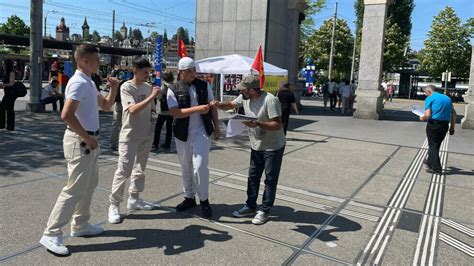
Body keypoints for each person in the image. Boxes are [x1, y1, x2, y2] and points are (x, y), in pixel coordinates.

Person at [39, 44, 119, 256]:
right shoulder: (78, 83)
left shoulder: (89, 82)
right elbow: (66, 115)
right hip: (81, 141)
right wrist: (87, 138)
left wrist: (114, 88)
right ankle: (51, 232)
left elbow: (106, 106)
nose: (99, 62)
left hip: (89, 140)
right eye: (96, 59)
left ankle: (81, 224)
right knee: (74, 188)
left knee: (89, 184)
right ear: (84, 60)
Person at [215, 75, 286, 225]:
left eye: (243, 89)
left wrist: (258, 124)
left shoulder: (270, 100)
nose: (240, 91)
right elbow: (230, 105)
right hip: (256, 145)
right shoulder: (244, 98)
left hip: (273, 146)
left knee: (270, 179)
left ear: (252, 90)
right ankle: (250, 206)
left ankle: (265, 210)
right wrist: (218, 105)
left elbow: (278, 124)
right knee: (253, 176)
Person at [108, 58, 160, 224]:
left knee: (140, 169)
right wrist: (151, 96)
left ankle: (134, 198)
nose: (148, 75)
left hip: (145, 134)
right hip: (129, 135)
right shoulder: (126, 87)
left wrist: (154, 101)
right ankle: (114, 205)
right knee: (124, 170)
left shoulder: (147, 87)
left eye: (149, 72)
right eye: (145, 72)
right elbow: (132, 110)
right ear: (135, 70)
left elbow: (151, 110)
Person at [167, 57, 220, 218]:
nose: (192, 73)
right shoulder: (172, 88)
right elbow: (175, 113)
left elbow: (212, 108)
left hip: (202, 131)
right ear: (180, 72)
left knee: (200, 166)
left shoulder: (204, 85)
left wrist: (217, 127)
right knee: (185, 167)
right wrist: (197, 109)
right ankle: (189, 197)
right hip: (182, 133)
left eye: (194, 70)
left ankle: (204, 200)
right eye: (189, 70)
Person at [419, 85, 456, 174]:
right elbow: (454, 114)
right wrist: (452, 128)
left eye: (426, 93)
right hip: (444, 125)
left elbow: (427, 115)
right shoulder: (447, 98)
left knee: (433, 146)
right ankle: (430, 161)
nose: (426, 95)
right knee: (436, 145)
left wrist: (422, 118)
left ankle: (436, 168)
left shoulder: (430, 98)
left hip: (433, 124)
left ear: (429, 92)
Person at [153, 71, 175, 149]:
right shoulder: (174, 85)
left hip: (163, 111)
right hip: (171, 109)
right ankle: (167, 144)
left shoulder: (164, 86)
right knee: (169, 128)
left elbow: (158, 97)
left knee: (158, 127)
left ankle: (155, 143)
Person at [0, 59, 17, 131]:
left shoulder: (11, 72)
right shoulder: (5, 72)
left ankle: (8, 126)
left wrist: (3, 85)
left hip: (11, 93)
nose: (3, 65)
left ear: (7, 65)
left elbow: (12, 83)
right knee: (5, 108)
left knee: (7, 109)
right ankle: (6, 125)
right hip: (7, 93)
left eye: (4, 64)